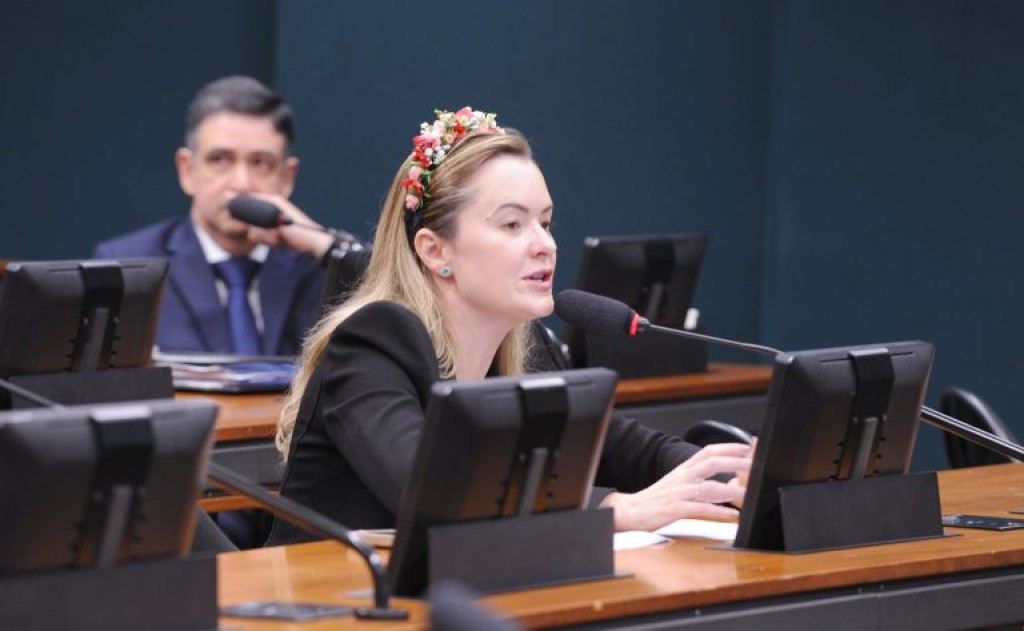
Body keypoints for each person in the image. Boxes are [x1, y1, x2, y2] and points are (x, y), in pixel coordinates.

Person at [266, 108, 753, 545]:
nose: (545, 245)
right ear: (435, 250)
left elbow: (628, 450)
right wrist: (614, 509)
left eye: (546, 223)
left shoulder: (524, 341)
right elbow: (430, 490)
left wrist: (728, 478)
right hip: (324, 599)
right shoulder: (371, 345)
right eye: (512, 225)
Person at [93, 75, 338, 356]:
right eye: (220, 159)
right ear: (187, 170)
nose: (241, 183)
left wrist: (323, 247)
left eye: (261, 163)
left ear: (286, 177)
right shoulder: (128, 267)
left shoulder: (323, 267)